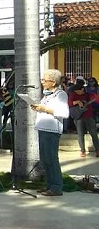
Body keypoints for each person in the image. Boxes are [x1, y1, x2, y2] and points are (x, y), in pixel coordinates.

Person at [30, 69, 69, 197]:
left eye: (45, 80)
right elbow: (45, 109)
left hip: (52, 130)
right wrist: (38, 108)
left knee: (52, 159)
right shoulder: (47, 95)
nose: (42, 82)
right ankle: (49, 185)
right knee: (45, 160)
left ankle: (56, 187)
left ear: (53, 82)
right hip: (43, 128)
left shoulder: (60, 94)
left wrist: (45, 109)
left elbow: (64, 113)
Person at [68, 83, 99, 157]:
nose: (77, 93)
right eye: (76, 92)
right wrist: (77, 102)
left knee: (93, 134)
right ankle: (82, 150)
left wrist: (95, 99)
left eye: (78, 91)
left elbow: (97, 100)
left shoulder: (89, 95)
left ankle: (97, 150)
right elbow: (69, 103)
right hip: (78, 117)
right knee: (80, 134)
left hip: (89, 116)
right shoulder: (73, 95)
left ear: (82, 89)